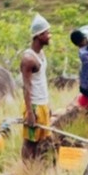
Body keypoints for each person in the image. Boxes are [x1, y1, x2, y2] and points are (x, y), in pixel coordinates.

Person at [21, 14, 53, 161]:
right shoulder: (28, 59)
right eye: (47, 33)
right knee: (30, 141)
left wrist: (47, 105)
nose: (50, 36)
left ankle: (36, 167)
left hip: (42, 104)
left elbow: (41, 81)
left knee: (42, 140)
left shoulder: (41, 54)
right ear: (39, 36)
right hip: (34, 106)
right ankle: (25, 169)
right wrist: (30, 112)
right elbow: (26, 87)